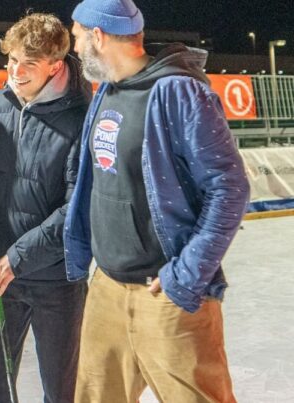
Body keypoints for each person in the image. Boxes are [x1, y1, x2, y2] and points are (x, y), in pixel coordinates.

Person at [65, 0, 251, 402]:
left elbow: (230, 188)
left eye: (77, 37)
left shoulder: (178, 91)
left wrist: (185, 275)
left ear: (98, 36)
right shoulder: (107, 90)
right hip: (107, 289)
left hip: (166, 296)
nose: (75, 48)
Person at [0, 13, 91, 403]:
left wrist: (18, 257)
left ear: (54, 66)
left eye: (29, 63)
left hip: (57, 280)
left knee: (61, 389)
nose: (16, 71)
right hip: (0, 276)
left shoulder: (80, 118)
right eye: (12, 60)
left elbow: (76, 209)